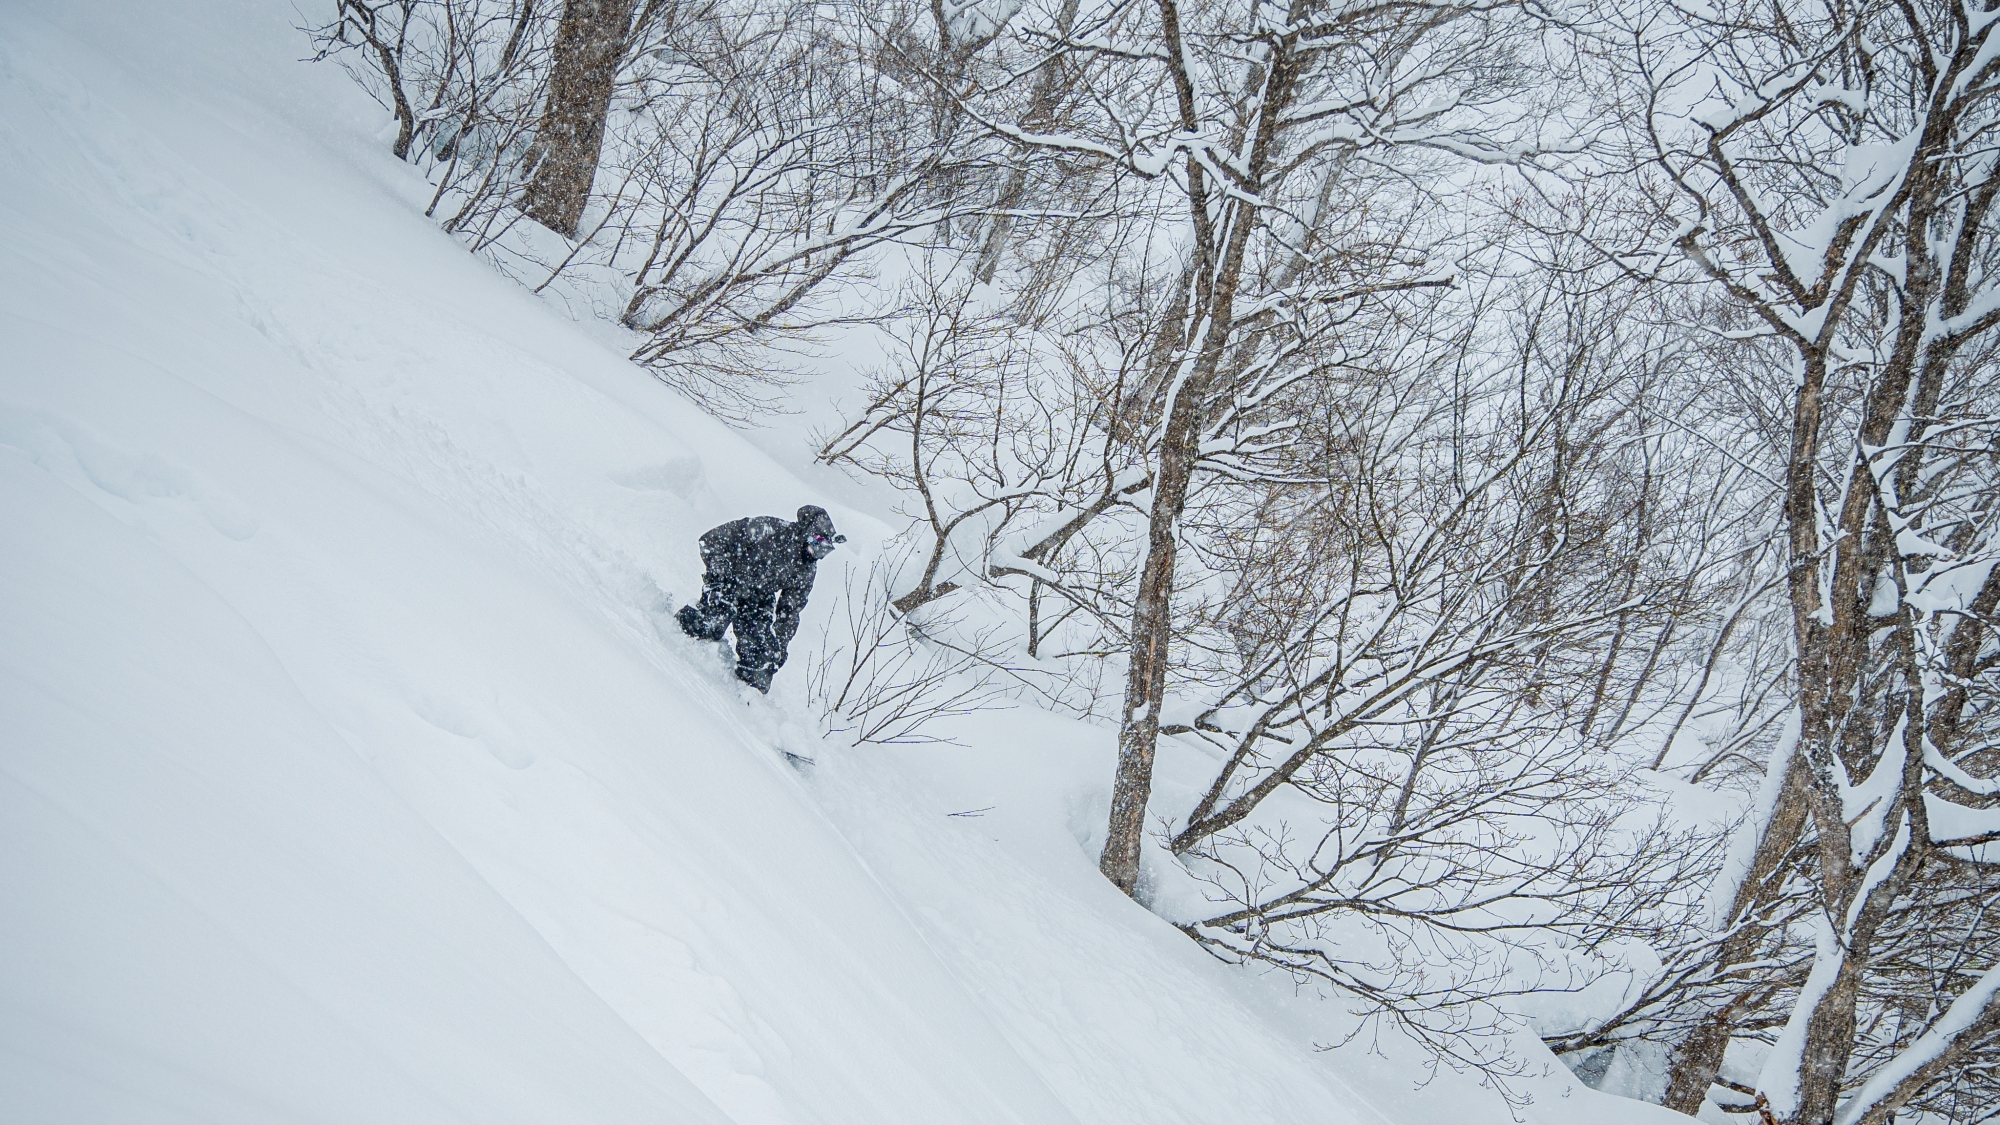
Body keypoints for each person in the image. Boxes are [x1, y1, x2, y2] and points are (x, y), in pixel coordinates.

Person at [677, 505, 846, 692]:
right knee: (715, 621)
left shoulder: (806, 570)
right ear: (809, 534)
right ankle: (679, 631)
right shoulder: (771, 530)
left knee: (763, 655)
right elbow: (711, 540)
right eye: (817, 545)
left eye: (824, 551)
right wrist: (719, 574)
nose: (817, 554)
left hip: (758, 599)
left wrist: (779, 647)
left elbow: (790, 611)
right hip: (730, 581)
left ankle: (747, 694)